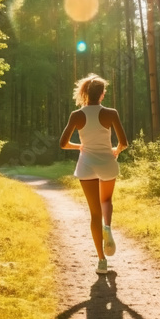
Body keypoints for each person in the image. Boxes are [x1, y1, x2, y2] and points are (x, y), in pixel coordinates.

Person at [59, 73, 128, 274]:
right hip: (107, 163)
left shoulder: (76, 115)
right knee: (106, 201)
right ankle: (108, 226)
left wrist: (80, 146)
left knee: (94, 213)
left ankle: (101, 260)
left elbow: (63, 144)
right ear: (102, 94)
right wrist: (117, 150)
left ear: (86, 93)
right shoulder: (111, 113)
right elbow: (123, 141)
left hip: (87, 166)